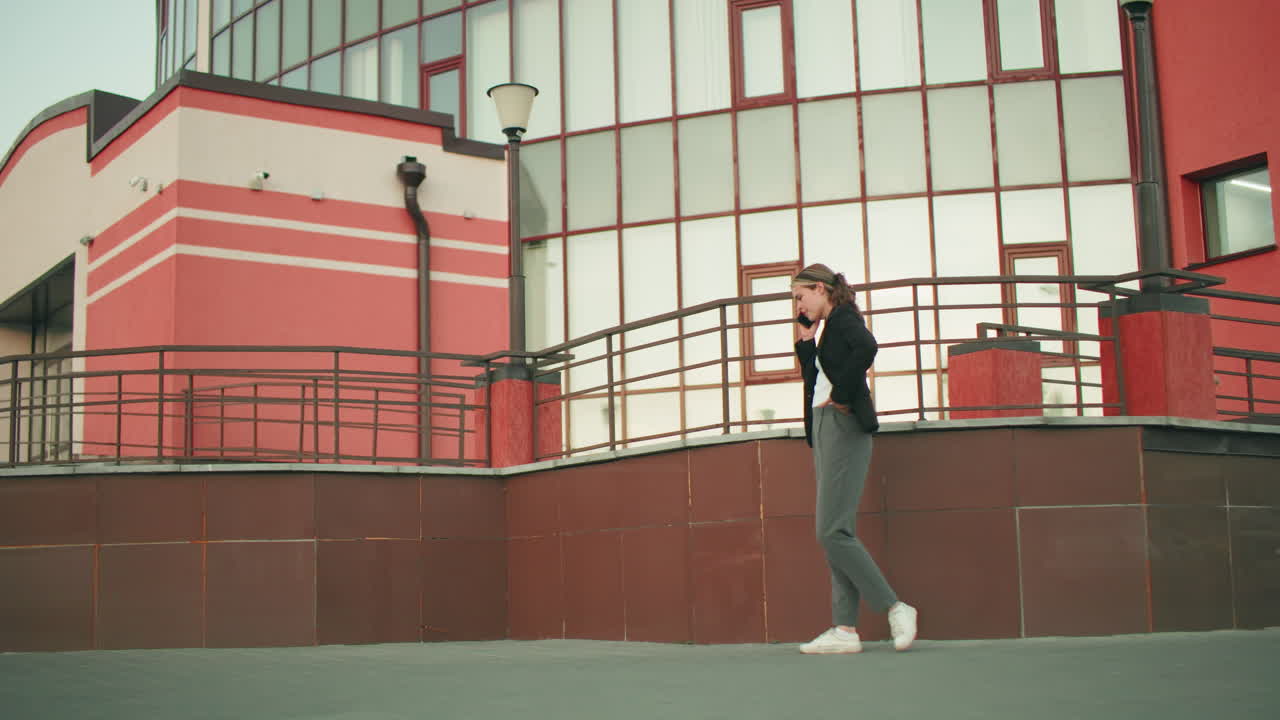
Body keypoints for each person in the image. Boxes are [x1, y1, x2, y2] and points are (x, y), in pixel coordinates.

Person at [791, 263, 918, 654]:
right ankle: (844, 631)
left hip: (842, 424)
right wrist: (807, 343)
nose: (797, 304)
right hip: (825, 426)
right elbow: (814, 378)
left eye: (800, 296)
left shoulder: (845, 318)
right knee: (835, 531)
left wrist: (843, 395)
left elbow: (868, 347)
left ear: (819, 288)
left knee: (831, 531)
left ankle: (895, 606)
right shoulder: (828, 328)